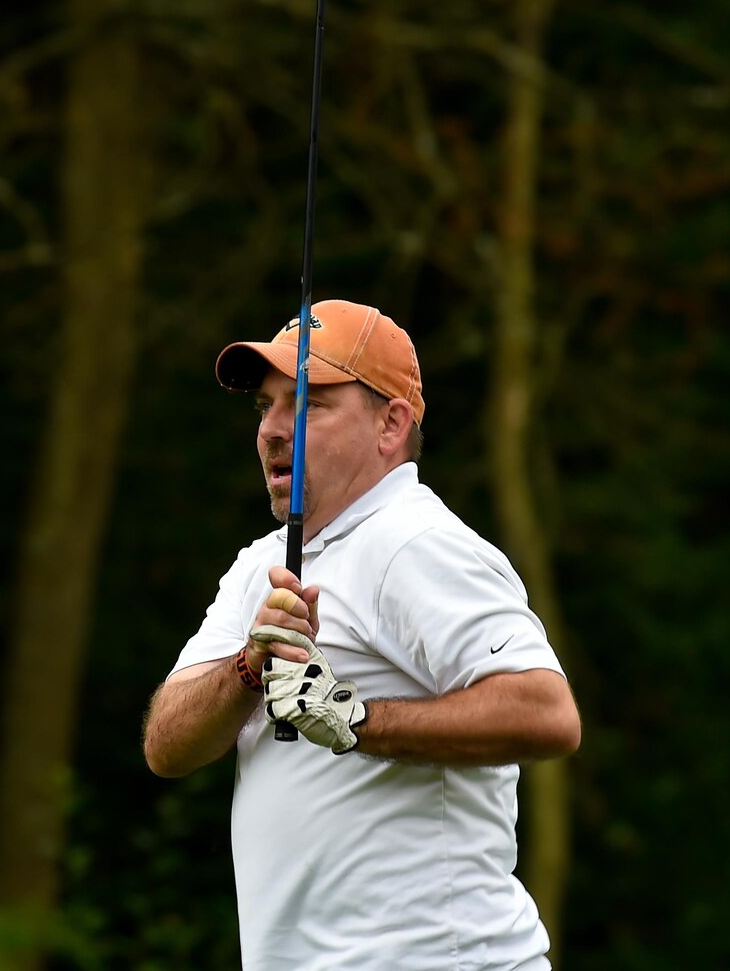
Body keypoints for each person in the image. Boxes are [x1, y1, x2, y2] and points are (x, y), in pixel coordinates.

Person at [141, 299, 581, 971]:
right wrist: (247, 668)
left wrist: (352, 718)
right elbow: (166, 745)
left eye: (309, 404)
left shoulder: (413, 540)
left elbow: (547, 712)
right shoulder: (259, 566)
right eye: (265, 405)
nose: (274, 429)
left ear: (391, 424)